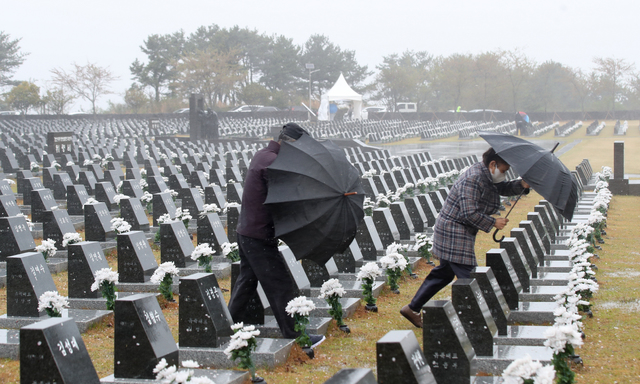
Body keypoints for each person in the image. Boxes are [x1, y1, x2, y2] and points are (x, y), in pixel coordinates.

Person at [400, 148, 530, 328]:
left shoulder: (486, 174)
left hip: (457, 230)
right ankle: (479, 319)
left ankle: (412, 308)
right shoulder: (473, 178)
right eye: (504, 169)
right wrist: (493, 223)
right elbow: (469, 213)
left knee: (443, 274)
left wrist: (521, 185)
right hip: (454, 231)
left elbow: (501, 187)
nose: (505, 173)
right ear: (493, 164)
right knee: (469, 277)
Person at [228, 122, 325, 347]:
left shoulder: (265, 155)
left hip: (249, 231)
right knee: (279, 283)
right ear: (287, 142)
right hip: (258, 234)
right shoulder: (272, 162)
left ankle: (227, 325)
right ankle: (295, 334)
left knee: (246, 282)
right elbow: (287, 196)